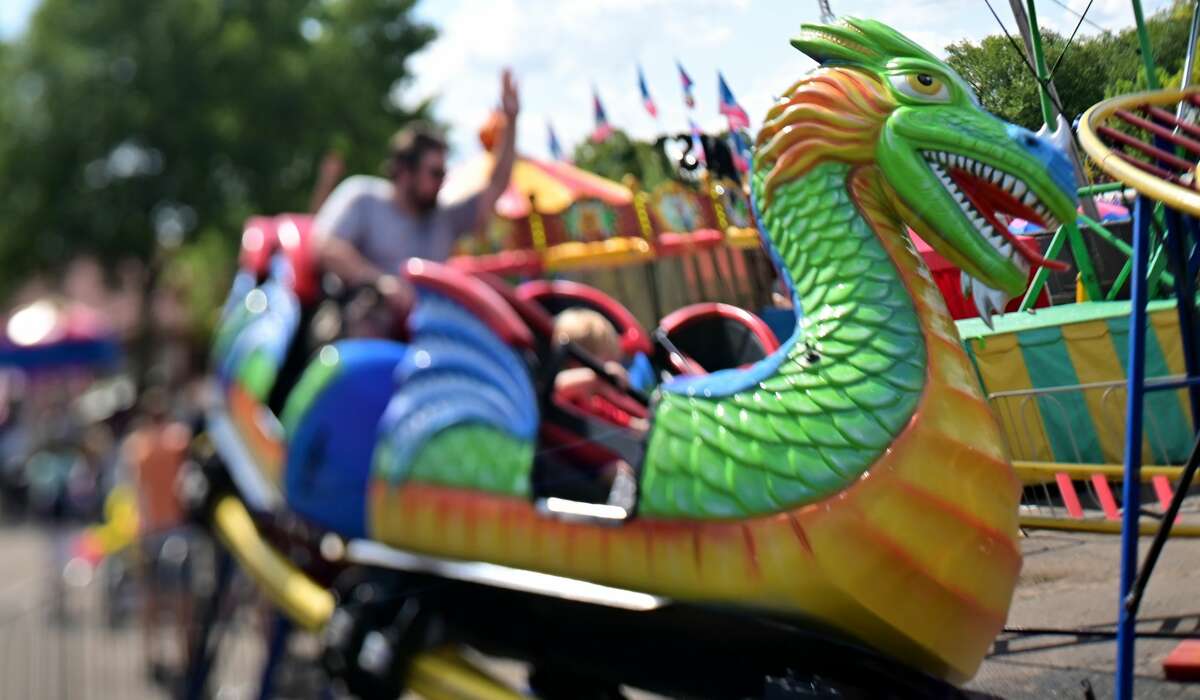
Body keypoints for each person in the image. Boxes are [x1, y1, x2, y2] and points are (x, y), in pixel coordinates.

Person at [314, 69, 520, 318]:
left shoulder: (444, 218)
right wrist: (381, 283)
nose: (441, 180)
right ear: (404, 171)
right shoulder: (363, 197)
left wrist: (511, 120)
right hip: (357, 325)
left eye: (443, 173)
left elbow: (496, 186)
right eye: (435, 173)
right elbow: (325, 247)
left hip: (426, 332)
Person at [122, 387, 193, 685]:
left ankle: (152, 657)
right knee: (181, 598)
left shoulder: (137, 445)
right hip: (176, 527)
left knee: (150, 597)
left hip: (148, 528)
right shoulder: (179, 440)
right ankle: (185, 657)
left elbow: (134, 491)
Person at [550, 309, 643, 510]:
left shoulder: (597, 401)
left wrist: (642, 426)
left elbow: (622, 421)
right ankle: (621, 515)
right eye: (606, 360)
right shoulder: (569, 391)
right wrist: (598, 375)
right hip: (585, 465)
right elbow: (559, 385)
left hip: (609, 455)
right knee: (620, 471)